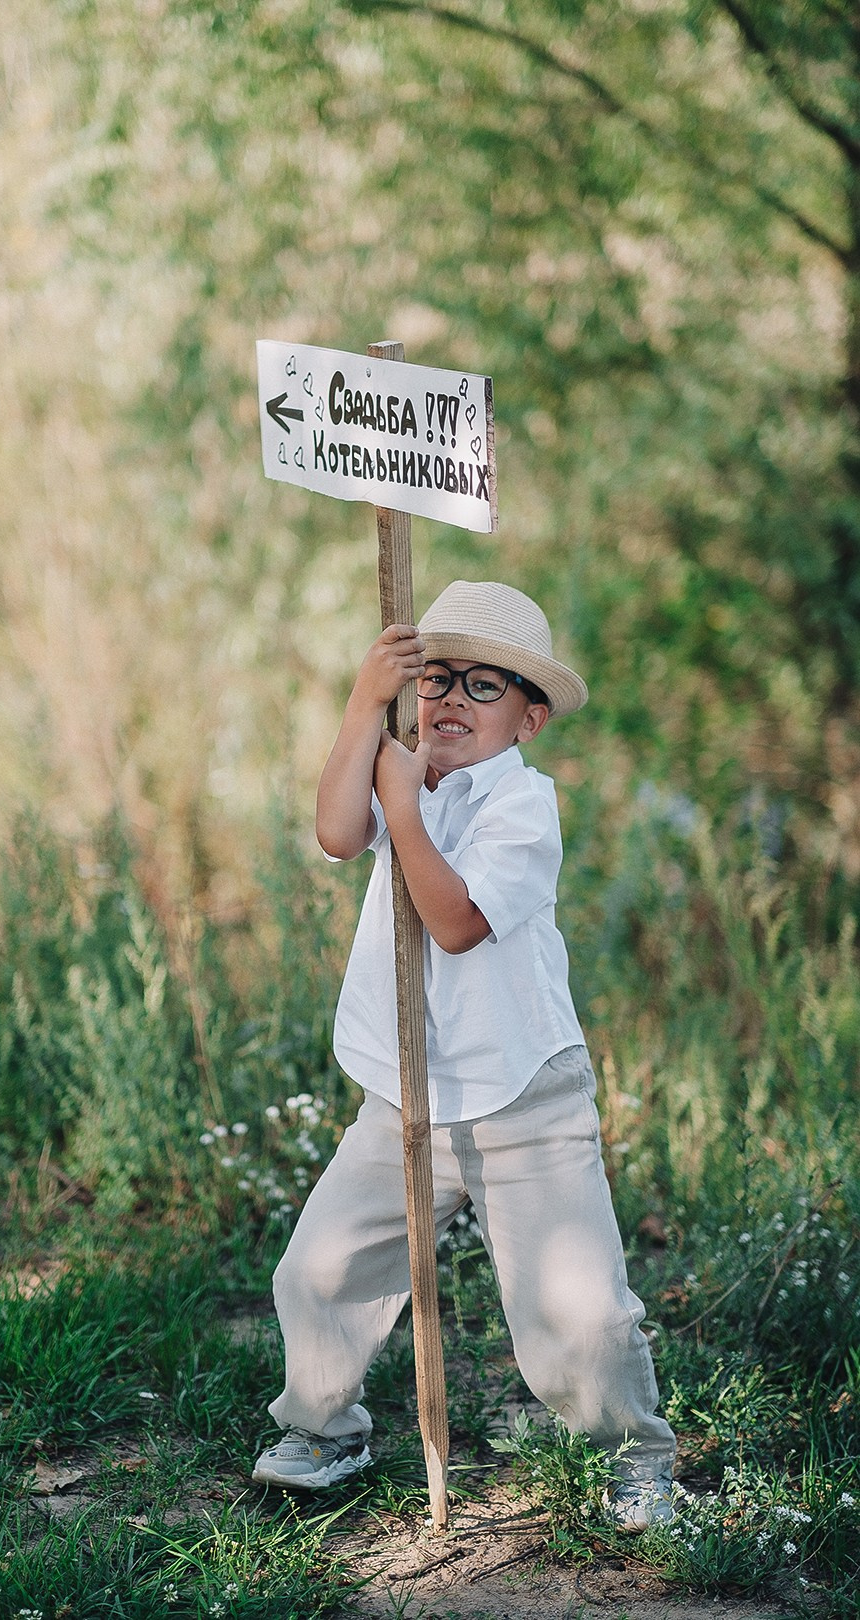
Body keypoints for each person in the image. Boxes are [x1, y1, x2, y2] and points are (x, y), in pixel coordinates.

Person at [250, 580, 677, 1532]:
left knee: (580, 1318)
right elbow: (334, 831)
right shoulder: (397, 765)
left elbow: (452, 924)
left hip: (524, 1099)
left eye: (487, 687)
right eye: (435, 675)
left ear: (529, 720)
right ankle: (325, 1428)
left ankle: (635, 1454)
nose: (452, 698)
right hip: (404, 1095)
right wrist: (363, 710)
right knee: (318, 1274)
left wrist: (402, 808)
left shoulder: (526, 809)